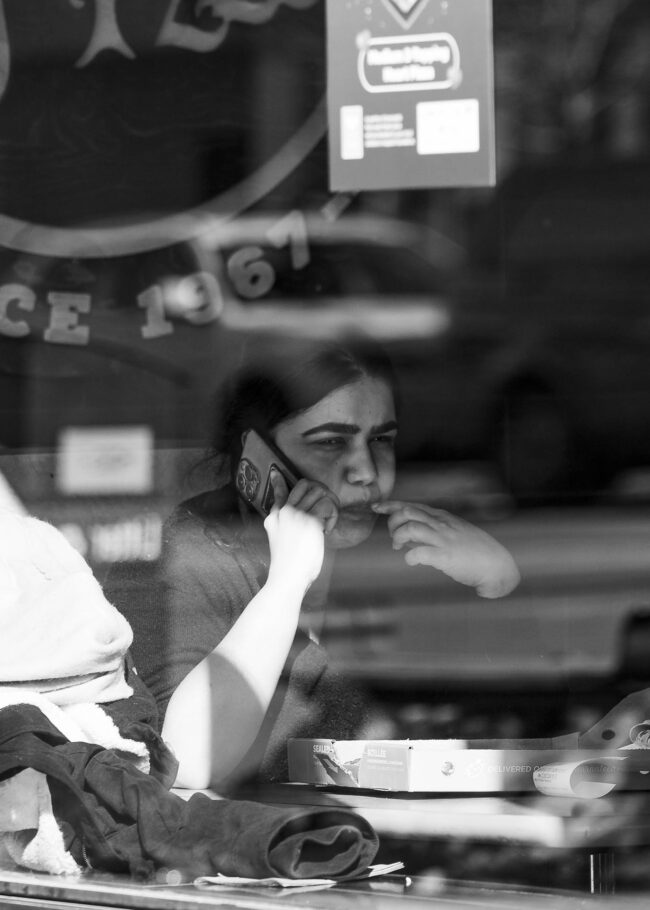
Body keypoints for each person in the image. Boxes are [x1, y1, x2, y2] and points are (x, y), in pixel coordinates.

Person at [128, 337, 521, 791]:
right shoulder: (191, 557)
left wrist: (501, 580)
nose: (366, 472)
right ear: (256, 455)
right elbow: (187, 760)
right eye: (331, 443)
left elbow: (507, 712)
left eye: (381, 440)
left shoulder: (409, 550)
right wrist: (288, 582)